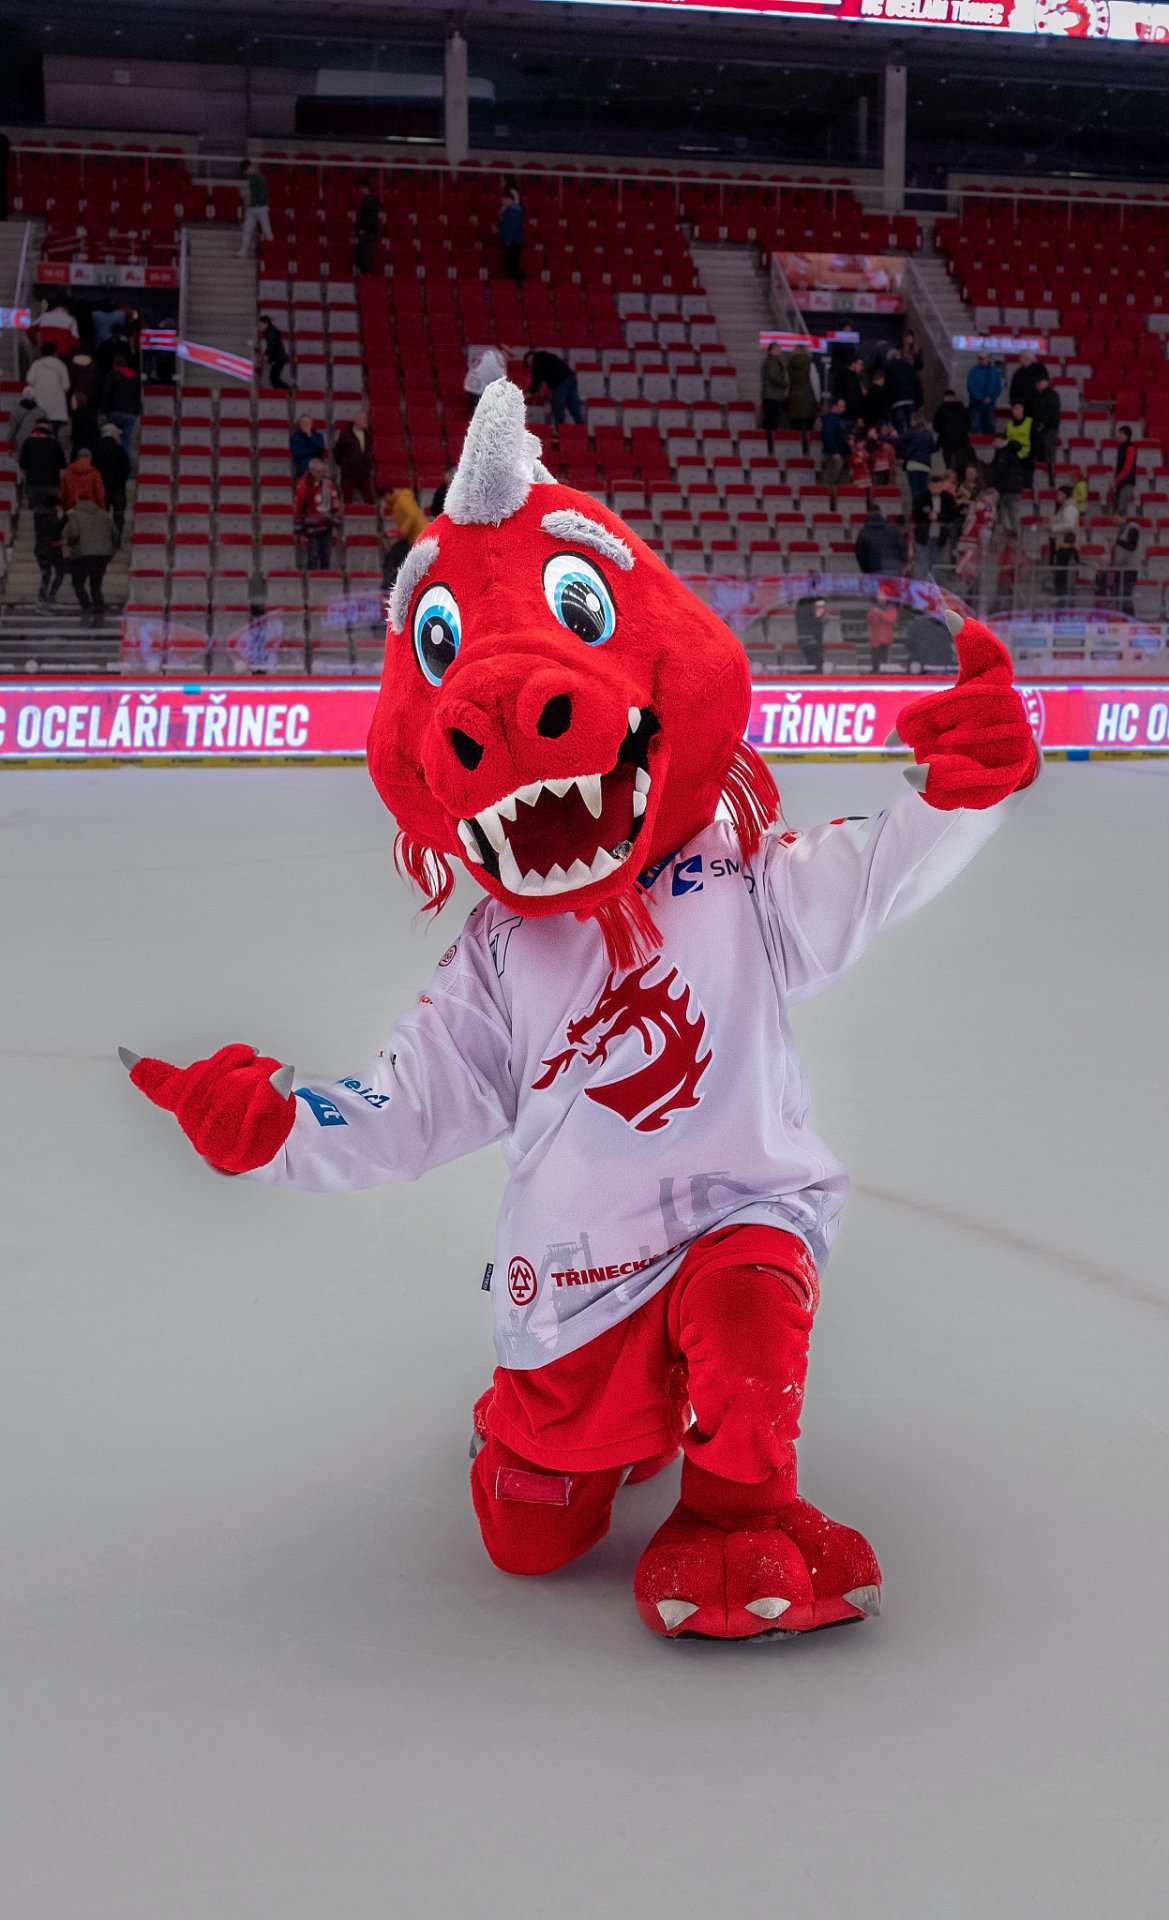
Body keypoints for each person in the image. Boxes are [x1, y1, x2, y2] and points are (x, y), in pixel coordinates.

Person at [121, 377, 1042, 1648]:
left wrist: (960, 793)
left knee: (747, 1323)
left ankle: (735, 1508)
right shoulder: (499, 953)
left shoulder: (733, 875)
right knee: (528, 1543)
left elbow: (868, 873)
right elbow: (408, 1102)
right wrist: (282, 1128)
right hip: (573, 1279)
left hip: (737, 1215)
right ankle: (560, 1431)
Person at [62, 494, 116, 623]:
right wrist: (111, 548)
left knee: (78, 582)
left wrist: (70, 544)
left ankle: (86, 605)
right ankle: (98, 604)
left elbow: (74, 533)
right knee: (96, 582)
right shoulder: (104, 514)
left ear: (77, 500)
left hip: (82, 553)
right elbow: (115, 533)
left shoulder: (74, 515)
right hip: (103, 554)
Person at [293, 457, 339, 570]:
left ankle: (325, 579)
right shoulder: (302, 486)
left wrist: (334, 518)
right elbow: (298, 510)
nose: (321, 474)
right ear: (311, 471)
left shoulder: (329, 484)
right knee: (312, 557)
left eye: (323, 471)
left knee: (326, 556)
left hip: (326, 526)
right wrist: (300, 533)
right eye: (318, 472)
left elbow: (334, 505)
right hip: (311, 528)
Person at [524, 349, 584, 428]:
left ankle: (559, 431)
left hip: (559, 383)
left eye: (528, 363)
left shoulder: (537, 362)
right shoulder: (549, 356)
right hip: (571, 378)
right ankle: (581, 429)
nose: (530, 366)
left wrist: (527, 394)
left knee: (559, 409)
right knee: (574, 408)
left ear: (530, 358)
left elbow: (536, 382)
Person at [94, 423, 131, 538]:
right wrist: (121, 481)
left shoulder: (96, 450)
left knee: (102, 515)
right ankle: (117, 539)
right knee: (118, 515)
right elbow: (127, 468)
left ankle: (103, 538)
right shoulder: (119, 449)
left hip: (101, 489)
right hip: (118, 489)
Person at [333, 410, 376, 506]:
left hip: (364, 473)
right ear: (355, 420)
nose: (365, 421)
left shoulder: (367, 435)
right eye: (362, 418)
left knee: (369, 499)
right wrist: (345, 464)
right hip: (348, 473)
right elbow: (337, 452)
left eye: (365, 419)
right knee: (347, 499)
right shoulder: (345, 434)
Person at [102, 347, 141, 455]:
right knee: (126, 441)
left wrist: (103, 410)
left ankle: (112, 460)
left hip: (114, 412)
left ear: (114, 365)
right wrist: (137, 411)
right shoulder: (134, 377)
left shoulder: (111, 376)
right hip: (130, 413)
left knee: (111, 440)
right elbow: (137, 396)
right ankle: (125, 461)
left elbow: (107, 394)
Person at [26, 344, 71, 434]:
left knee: (40, 425)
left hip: (40, 400)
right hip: (57, 401)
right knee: (55, 427)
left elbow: (30, 380)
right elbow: (66, 385)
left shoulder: (37, 364)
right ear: (55, 353)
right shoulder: (61, 365)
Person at [19, 418, 67, 498]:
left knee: (35, 504)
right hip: (52, 483)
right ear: (48, 427)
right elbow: (62, 465)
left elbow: (22, 464)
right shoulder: (55, 443)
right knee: (50, 505)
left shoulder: (28, 442)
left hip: (33, 483)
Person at [989, 436, 1027, 537]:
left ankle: (1009, 533)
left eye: (994, 441)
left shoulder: (1004, 453)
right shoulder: (1007, 451)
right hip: (1012, 487)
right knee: (1011, 511)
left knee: (1007, 511)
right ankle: (1013, 532)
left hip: (1007, 487)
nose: (992, 444)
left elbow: (999, 470)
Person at [896, 412, 937, 507]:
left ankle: (916, 510)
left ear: (914, 421)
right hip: (925, 465)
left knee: (915, 491)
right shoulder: (928, 434)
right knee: (923, 490)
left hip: (913, 464)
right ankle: (923, 510)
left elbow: (899, 441)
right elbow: (933, 448)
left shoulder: (911, 433)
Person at [785, 345, 820, 454]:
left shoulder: (789, 365)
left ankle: (794, 450)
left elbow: (786, 381)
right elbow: (815, 383)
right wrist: (817, 399)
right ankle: (807, 450)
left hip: (793, 398)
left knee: (795, 427)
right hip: (807, 398)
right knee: (808, 427)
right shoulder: (810, 364)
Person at [32, 493, 66, 604]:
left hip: (40, 547)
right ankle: (51, 593)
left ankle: (43, 595)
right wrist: (65, 518)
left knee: (46, 574)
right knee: (60, 572)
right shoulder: (50, 514)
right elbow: (56, 529)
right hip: (52, 548)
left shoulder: (38, 514)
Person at [854, 506, 907, 575]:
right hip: (894, 567)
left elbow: (860, 554)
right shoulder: (892, 529)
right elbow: (902, 546)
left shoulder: (864, 532)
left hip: (873, 569)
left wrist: (865, 569)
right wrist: (902, 562)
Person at [238, 160, 273, 258]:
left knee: (266, 229)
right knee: (247, 229)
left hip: (261, 207)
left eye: (247, 170)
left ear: (251, 167)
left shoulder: (260, 178)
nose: (246, 172)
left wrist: (261, 204)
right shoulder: (250, 179)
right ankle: (244, 250)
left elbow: (263, 195)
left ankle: (271, 249)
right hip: (252, 208)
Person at [883, 347, 921, 434]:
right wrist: (919, 401)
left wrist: (887, 406)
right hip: (910, 401)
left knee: (901, 429)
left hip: (896, 403)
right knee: (913, 426)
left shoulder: (888, 369)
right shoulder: (908, 366)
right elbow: (916, 383)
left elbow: (887, 388)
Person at [1031, 377, 1061, 488]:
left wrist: (1043, 423)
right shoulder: (1038, 396)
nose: (1038, 385)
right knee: (1039, 457)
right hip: (1039, 430)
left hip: (1049, 430)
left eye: (1040, 382)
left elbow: (1053, 411)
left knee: (1049, 458)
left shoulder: (1052, 395)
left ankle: (1051, 485)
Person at [1109, 512, 1141, 615]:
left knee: (1125, 595)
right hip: (1120, 568)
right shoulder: (1122, 530)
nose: (1114, 521)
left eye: (1116, 518)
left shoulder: (1132, 529)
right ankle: (1122, 616)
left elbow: (1132, 546)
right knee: (1118, 594)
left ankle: (1130, 618)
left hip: (1129, 569)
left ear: (1123, 518)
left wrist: (1118, 542)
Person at [819, 396, 852, 496]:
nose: (843, 409)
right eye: (841, 407)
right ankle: (824, 498)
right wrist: (835, 451)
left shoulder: (837, 420)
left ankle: (832, 499)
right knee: (830, 479)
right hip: (834, 454)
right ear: (834, 406)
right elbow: (828, 436)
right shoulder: (830, 419)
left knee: (836, 480)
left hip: (840, 453)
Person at [760, 344, 789, 454]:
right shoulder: (773, 361)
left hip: (769, 395)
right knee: (773, 422)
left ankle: (770, 445)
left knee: (770, 421)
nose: (780, 350)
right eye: (778, 348)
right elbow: (774, 377)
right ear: (773, 349)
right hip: (773, 395)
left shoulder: (767, 361)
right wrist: (784, 384)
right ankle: (771, 445)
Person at [60, 446, 107, 512]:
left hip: (72, 509)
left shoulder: (68, 472)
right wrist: (102, 509)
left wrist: (64, 509)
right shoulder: (94, 473)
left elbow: (63, 493)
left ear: (77, 458)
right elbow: (100, 494)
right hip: (91, 509)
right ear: (90, 458)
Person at [932, 389, 971, 468]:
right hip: (961, 441)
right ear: (955, 397)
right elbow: (969, 424)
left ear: (945, 398)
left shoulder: (941, 409)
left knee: (949, 462)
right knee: (960, 461)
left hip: (947, 440)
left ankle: (950, 473)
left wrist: (943, 431)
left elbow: (935, 425)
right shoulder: (963, 409)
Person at [966, 353, 1002, 436]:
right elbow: (970, 387)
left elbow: (998, 388)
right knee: (975, 426)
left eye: (983, 358)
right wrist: (981, 398)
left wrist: (991, 398)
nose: (981, 360)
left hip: (990, 404)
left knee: (990, 426)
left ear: (989, 359)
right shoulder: (973, 371)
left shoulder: (994, 372)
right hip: (976, 404)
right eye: (979, 358)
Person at [465, 344, 509, 410]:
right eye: (508, 354)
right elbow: (501, 377)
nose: (508, 358)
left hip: (471, 382)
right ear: (504, 352)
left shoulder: (488, 353)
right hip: (478, 387)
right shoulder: (499, 358)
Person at [1009, 349, 1049, 417]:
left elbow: (1043, 385)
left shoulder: (1040, 369)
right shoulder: (1019, 372)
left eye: (1021, 358)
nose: (1020, 360)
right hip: (1022, 404)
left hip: (1036, 403)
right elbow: (1014, 388)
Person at [9, 391, 48, 460]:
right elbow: (46, 429)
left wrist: (10, 442)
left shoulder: (16, 411)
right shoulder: (41, 411)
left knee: (22, 460)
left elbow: (13, 429)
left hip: (22, 440)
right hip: (37, 440)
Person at [354, 180, 382, 275]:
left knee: (365, 257)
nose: (360, 190)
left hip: (367, 233)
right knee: (363, 256)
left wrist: (363, 229)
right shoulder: (366, 201)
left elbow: (370, 218)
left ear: (367, 188)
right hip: (366, 233)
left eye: (362, 188)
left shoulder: (370, 201)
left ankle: (367, 277)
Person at [866, 590, 897, 674]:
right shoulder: (873, 607)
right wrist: (872, 613)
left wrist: (880, 612)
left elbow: (892, 619)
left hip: (885, 640)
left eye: (882, 594)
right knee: (875, 663)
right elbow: (868, 621)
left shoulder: (891, 608)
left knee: (884, 663)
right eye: (878, 595)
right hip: (875, 639)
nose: (880, 597)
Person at [1047, 485, 1079, 567]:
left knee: (1062, 569)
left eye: (1059, 494)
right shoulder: (1064, 507)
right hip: (1061, 542)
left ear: (1064, 495)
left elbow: (1069, 525)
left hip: (1066, 544)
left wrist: (1052, 527)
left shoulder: (1070, 507)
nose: (1057, 496)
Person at [499, 184, 525, 282]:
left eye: (504, 200)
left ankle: (518, 282)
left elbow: (513, 227)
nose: (503, 202)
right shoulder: (510, 210)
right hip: (511, 240)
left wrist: (508, 239)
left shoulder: (515, 210)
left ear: (509, 199)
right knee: (510, 263)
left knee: (512, 263)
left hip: (514, 242)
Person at [794, 596, 826, 673]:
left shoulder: (800, 606)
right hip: (813, 640)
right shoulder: (816, 604)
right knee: (816, 665)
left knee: (810, 663)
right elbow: (819, 615)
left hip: (803, 638)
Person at [290, 413, 325, 481]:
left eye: (307, 423)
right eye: (303, 423)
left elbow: (321, 449)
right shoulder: (295, 437)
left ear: (311, 424)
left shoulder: (318, 436)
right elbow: (296, 453)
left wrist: (311, 437)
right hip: (302, 468)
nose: (305, 425)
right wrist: (312, 451)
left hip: (317, 468)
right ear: (300, 424)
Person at [68, 390, 101, 460]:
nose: (71, 403)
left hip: (80, 444)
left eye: (73, 401)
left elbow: (76, 431)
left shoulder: (77, 414)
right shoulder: (89, 413)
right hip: (91, 444)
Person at [67, 346, 102, 411]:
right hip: (91, 396)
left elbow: (68, 381)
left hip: (75, 395)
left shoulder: (70, 365)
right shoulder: (94, 365)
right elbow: (99, 382)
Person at [259, 315, 288, 391]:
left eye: (261, 324)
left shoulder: (270, 333)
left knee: (274, 378)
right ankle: (282, 392)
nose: (260, 326)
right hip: (279, 357)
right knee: (274, 378)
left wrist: (267, 358)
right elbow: (270, 347)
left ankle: (289, 390)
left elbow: (271, 347)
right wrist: (265, 354)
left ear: (266, 323)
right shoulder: (270, 331)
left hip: (279, 358)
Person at [1113, 427, 1138, 513]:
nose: (1119, 436)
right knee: (1117, 507)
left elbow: (1127, 467)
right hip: (1121, 481)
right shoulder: (1120, 447)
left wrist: (1116, 480)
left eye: (1122, 434)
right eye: (1119, 433)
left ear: (1127, 436)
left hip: (1127, 481)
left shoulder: (1131, 448)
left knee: (1121, 507)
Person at [1004, 401, 1033, 476]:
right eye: (1013, 409)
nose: (1015, 411)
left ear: (1022, 409)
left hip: (1026, 458)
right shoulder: (1009, 425)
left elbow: (1035, 441)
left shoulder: (1030, 422)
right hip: (1011, 458)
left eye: (1017, 408)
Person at [837, 354, 866, 422]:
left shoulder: (847, 376)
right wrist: (858, 416)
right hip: (850, 416)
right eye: (860, 364)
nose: (862, 368)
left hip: (847, 415)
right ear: (853, 364)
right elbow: (853, 398)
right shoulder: (850, 378)